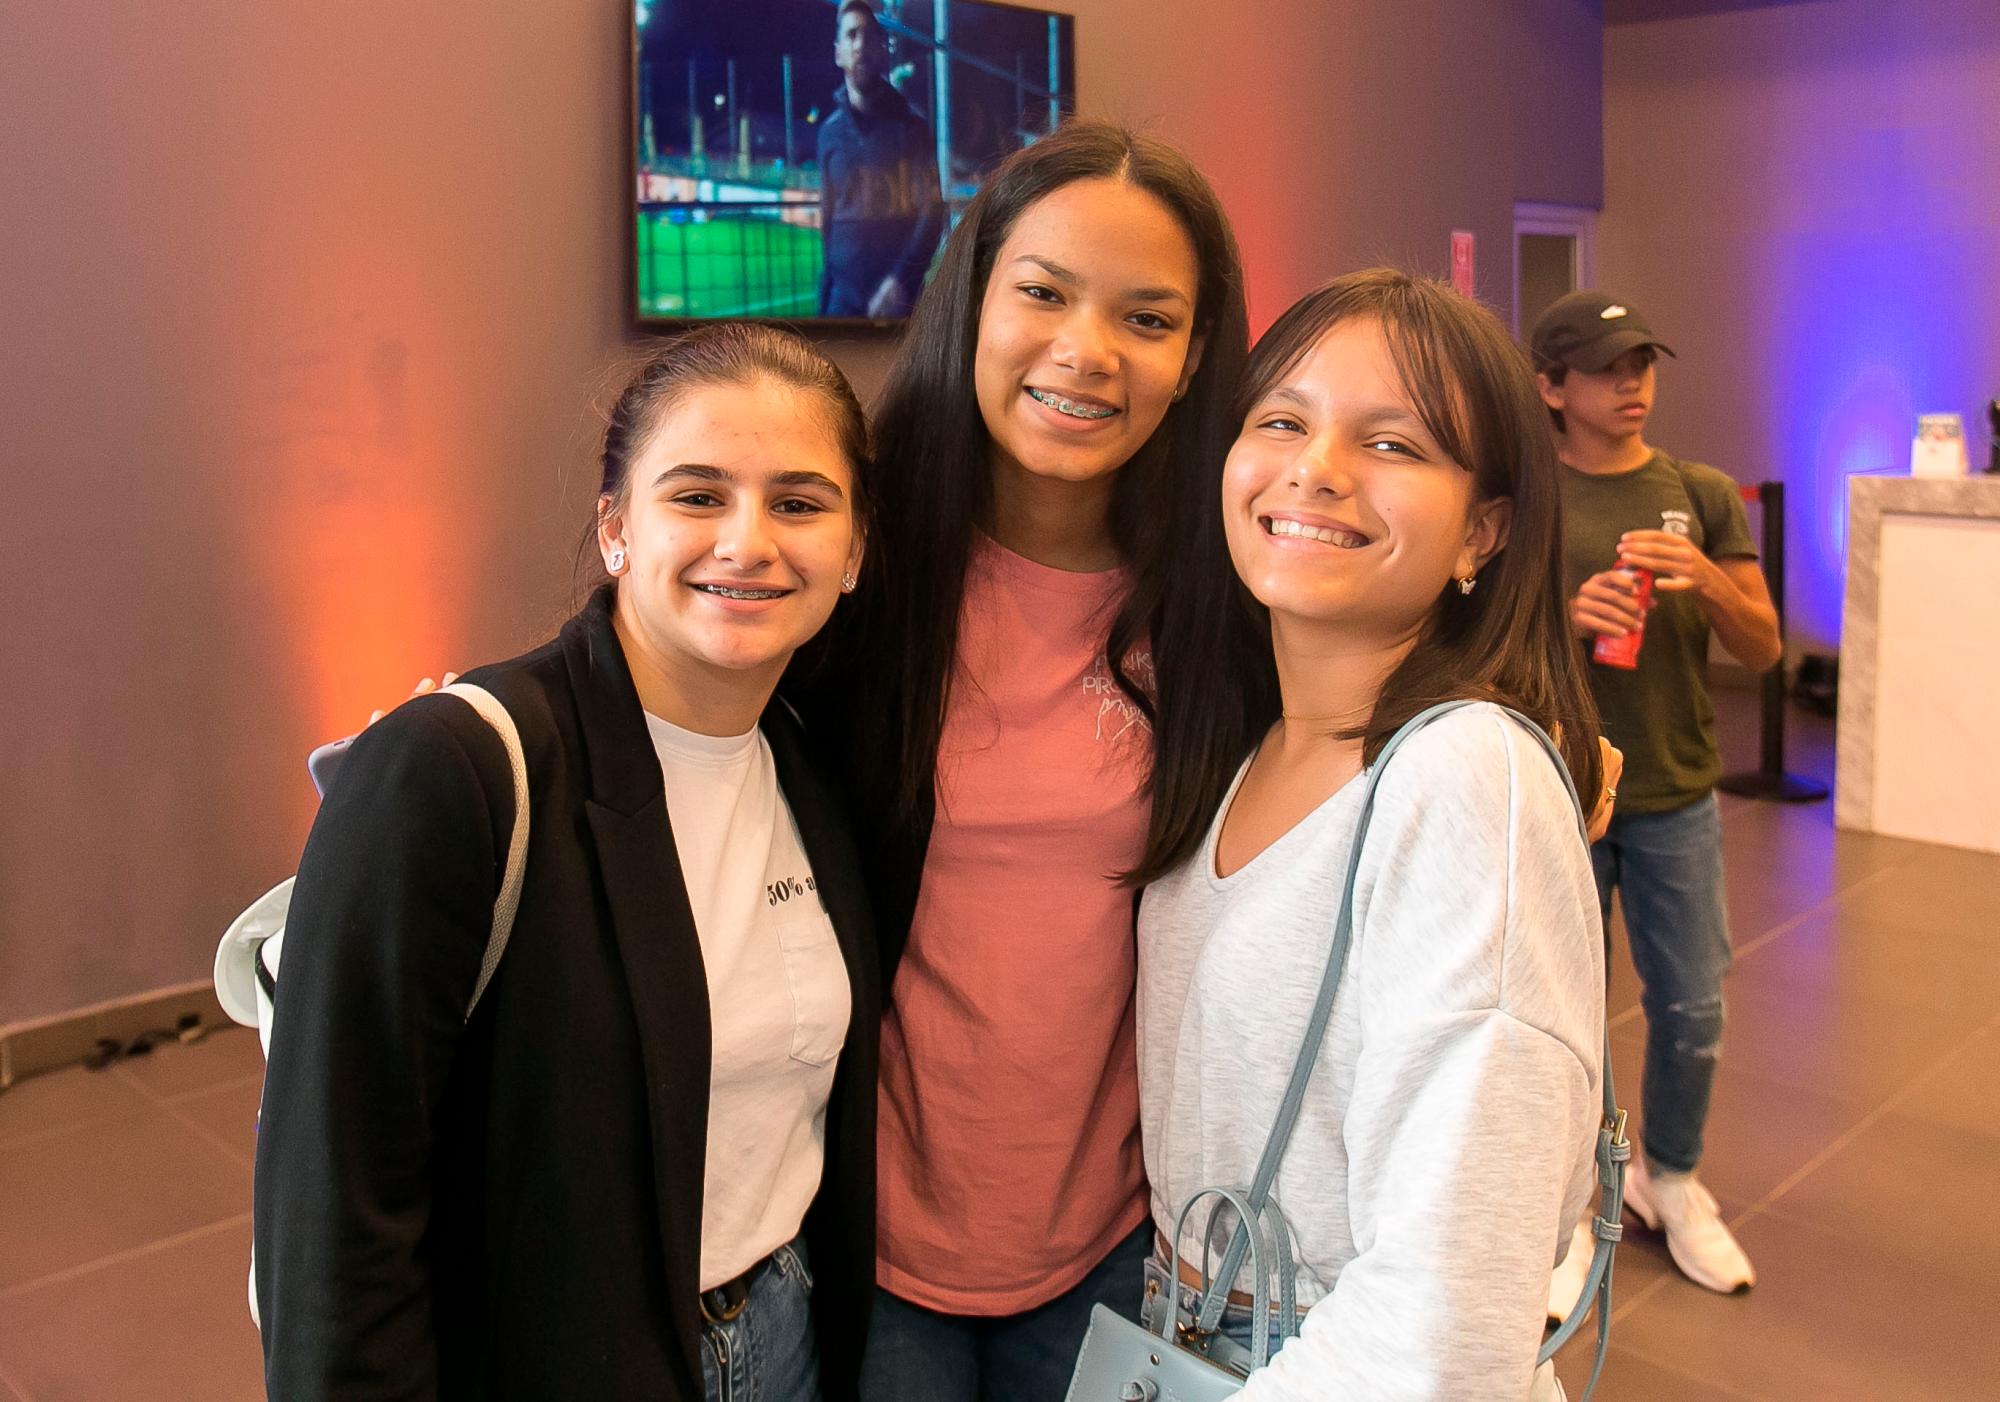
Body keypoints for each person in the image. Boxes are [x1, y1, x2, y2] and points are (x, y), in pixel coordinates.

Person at [254, 324, 882, 1402]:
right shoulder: (456, 768)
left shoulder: (813, 769)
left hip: (785, 1338)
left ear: (855, 548)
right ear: (615, 530)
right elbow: (335, 1219)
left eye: (797, 502)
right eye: (695, 495)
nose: (747, 541)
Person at [786, 119, 1264, 1401]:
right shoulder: (849, 570)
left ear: (1194, 355)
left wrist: (1532, 724)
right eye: (1042, 292)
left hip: (1115, 1241)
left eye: (1146, 318)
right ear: (973, 298)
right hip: (865, 1234)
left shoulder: (1232, 606)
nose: (1084, 352)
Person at [1136, 269, 1609, 1399]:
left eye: (1392, 445)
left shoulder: (1460, 778)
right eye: (1283, 420)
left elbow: (1442, 1324)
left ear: (1481, 531)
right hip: (1201, 1337)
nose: (1316, 468)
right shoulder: (1254, 743)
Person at [1532, 289, 1780, 1304]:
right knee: (1562, 1018)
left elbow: (1761, 646)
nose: (1629, 383)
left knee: (1691, 1007)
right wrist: (1560, 614)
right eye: (1603, 366)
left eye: (1640, 362)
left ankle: (1666, 1177)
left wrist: (1707, 581)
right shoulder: (1525, 496)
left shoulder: (1700, 491)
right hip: (1562, 788)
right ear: (1550, 386)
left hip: (1675, 788)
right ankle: (1568, 1208)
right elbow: (1463, 642)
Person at [816, 0, 945, 319]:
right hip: (841, 306)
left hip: (899, 305)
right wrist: (825, 298)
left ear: (882, 51)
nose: (860, 45)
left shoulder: (911, 127)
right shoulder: (828, 134)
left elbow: (932, 213)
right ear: (838, 53)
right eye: (851, 35)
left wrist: (899, 283)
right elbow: (828, 221)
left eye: (870, 37)